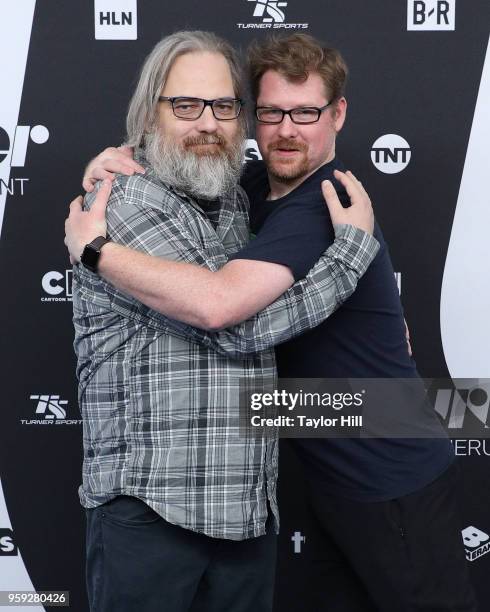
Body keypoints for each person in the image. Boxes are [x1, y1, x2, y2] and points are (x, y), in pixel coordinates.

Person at [67, 32, 476, 612]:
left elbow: (222, 316)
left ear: (337, 115)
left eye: (306, 112)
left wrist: (95, 249)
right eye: (272, 112)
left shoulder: (321, 205)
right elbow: (183, 167)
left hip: (389, 477)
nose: (287, 130)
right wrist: (109, 163)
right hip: (315, 478)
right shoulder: (247, 191)